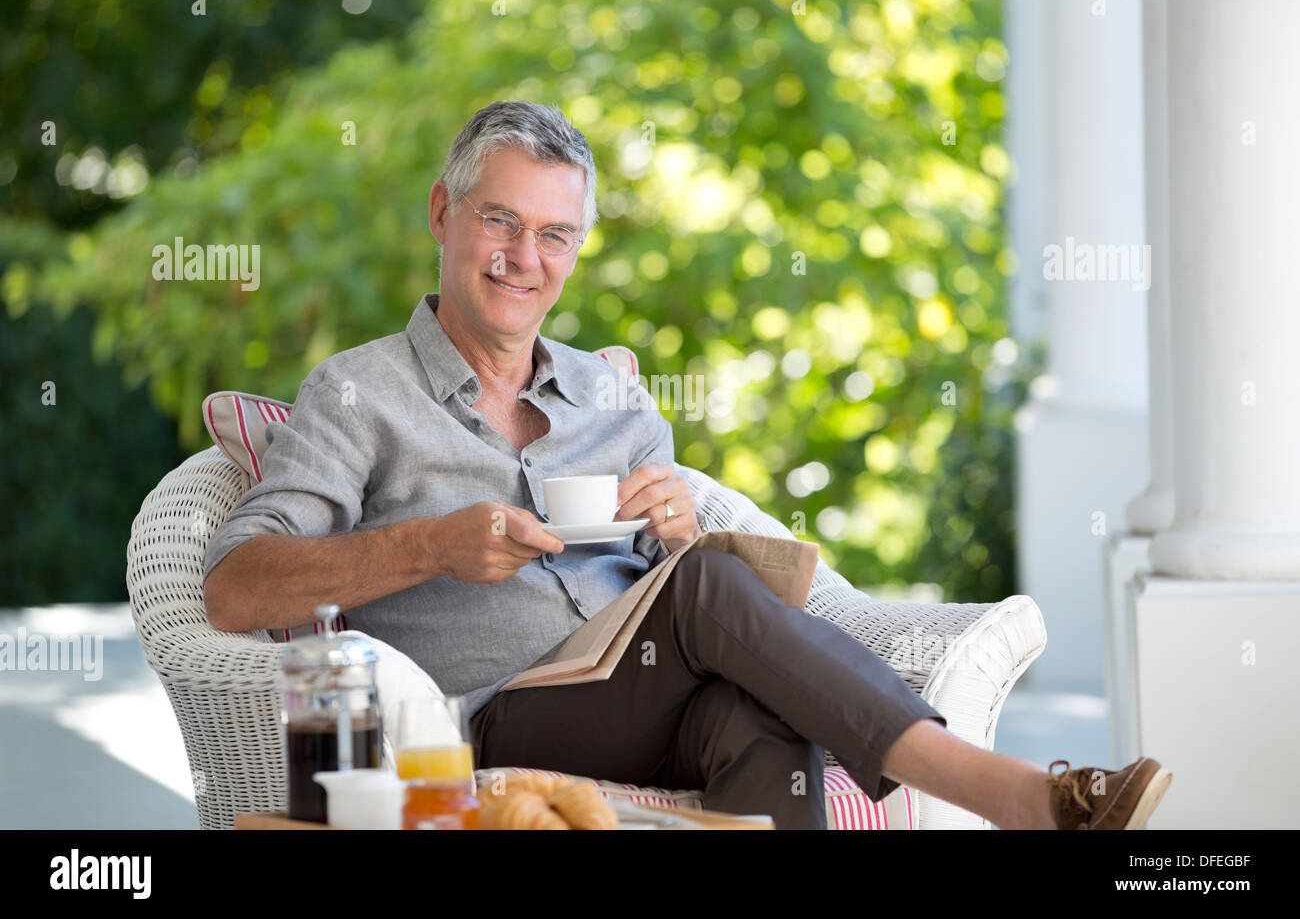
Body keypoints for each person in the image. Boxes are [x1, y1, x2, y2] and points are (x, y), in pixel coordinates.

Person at [203, 99, 1172, 829]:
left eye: (553, 234)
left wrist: (679, 536)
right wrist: (432, 544)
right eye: (499, 221)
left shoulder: (614, 397)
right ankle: (1011, 793)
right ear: (443, 214)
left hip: (652, 680)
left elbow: (691, 590)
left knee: (751, 709)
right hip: (500, 715)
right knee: (712, 592)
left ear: (576, 251)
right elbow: (235, 587)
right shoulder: (356, 391)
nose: (521, 257)